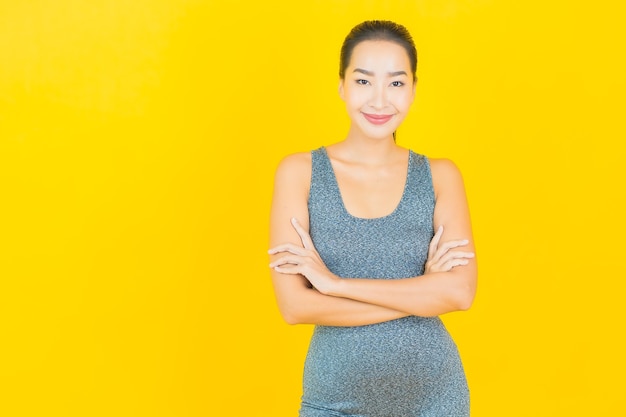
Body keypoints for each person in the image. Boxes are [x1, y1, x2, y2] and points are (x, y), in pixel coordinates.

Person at [268, 20, 477, 417]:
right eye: (364, 81)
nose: (380, 100)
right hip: (333, 403)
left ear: (414, 89)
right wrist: (423, 294)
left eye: (396, 83)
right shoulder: (299, 173)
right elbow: (295, 306)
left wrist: (334, 285)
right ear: (342, 86)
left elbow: (460, 294)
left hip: (435, 399)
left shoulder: (440, 176)